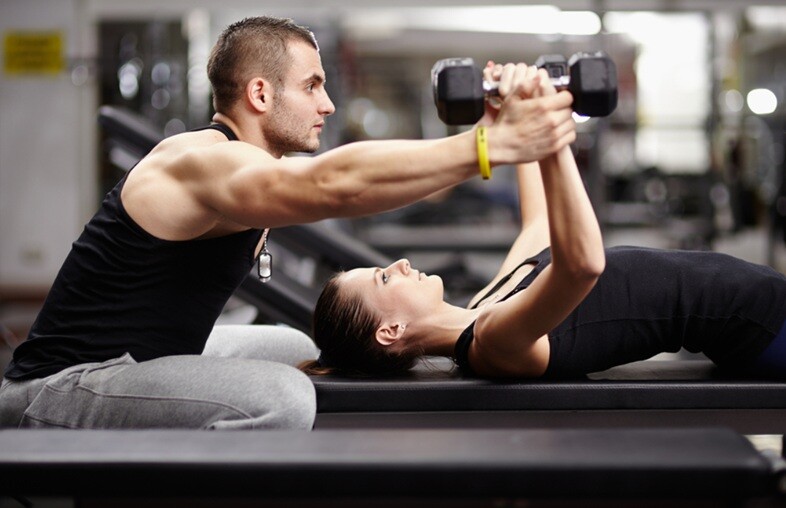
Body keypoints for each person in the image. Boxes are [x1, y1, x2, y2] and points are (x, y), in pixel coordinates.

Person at [0, 16, 577, 430]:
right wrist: (489, 144)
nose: (326, 105)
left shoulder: (246, 164)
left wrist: (501, 130)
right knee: (285, 398)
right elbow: (334, 184)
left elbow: (393, 183)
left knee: (290, 344)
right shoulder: (199, 161)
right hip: (60, 386)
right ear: (259, 92)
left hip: (138, 362)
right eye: (312, 86)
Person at [305, 63, 786, 381]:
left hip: (759, 301)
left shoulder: (485, 304)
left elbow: (539, 226)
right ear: (389, 331)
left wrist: (505, 124)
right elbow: (581, 266)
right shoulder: (492, 342)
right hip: (762, 325)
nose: (401, 262)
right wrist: (551, 130)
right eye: (384, 276)